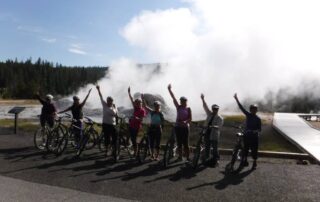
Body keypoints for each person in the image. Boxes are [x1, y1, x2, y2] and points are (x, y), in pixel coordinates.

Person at [233, 93, 261, 170]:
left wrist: (254, 131)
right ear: (250, 110)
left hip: (254, 137)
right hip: (247, 136)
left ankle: (254, 162)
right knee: (245, 149)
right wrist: (236, 99)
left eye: (255, 109)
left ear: (256, 110)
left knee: (254, 151)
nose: (254, 110)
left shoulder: (258, 119)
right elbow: (241, 107)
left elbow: (259, 129)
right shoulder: (248, 115)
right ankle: (244, 160)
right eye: (252, 109)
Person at [168, 84, 192, 162]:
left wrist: (185, 121)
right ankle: (180, 157)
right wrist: (169, 90)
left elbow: (190, 119)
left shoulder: (188, 109)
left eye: (184, 101)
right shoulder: (178, 107)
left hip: (185, 128)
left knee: (186, 144)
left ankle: (188, 157)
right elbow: (173, 98)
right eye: (181, 101)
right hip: (178, 127)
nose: (182, 102)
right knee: (179, 143)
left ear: (186, 101)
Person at [96, 85, 118, 161]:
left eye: (110, 101)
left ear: (112, 101)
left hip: (112, 125)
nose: (109, 102)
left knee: (114, 139)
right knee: (107, 139)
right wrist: (98, 89)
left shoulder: (113, 108)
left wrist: (115, 108)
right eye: (108, 100)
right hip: (105, 124)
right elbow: (101, 96)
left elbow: (116, 114)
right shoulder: (104, 105)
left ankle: (113, 151)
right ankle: (107, 151)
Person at [201, 93, 224, 167]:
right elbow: (205, 107)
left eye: (216, 109)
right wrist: (203, 99)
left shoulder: (220, 118)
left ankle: (216, 160)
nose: (215, 110)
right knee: (207, 146)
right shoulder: (209, 114)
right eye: (214, 109)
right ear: (212, 109)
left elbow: (219, 126)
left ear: (218, 110)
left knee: (215, 148)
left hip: (214, 134)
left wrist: (213, 126)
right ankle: (207, 159)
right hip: (207, 132)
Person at [142, 95, 164, 161]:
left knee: (157, 143)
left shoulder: (161, 113)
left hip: (158, 129)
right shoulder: (152, 112)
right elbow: (145, 107)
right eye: (156, 106)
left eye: (158, 106)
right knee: (151, 143)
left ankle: (157, 156)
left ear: (159, 107)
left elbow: (162, 122)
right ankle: (152, 155)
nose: (157, 107)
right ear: (154, 107)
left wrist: (161, 128)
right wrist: (143, 98)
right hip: (152, 128)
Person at [128, 87, 147, 157]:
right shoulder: (136, 108)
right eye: (136, 103)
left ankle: (136, 151)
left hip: (137, 127)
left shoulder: (142, 110)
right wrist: (129, 93)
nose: (136, 104)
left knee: (134, 140)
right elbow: (131, 100)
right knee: (132, 139)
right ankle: (134, 149)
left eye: (138, 103)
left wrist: (136, 118)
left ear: (140, 103)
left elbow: (141, 120)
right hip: (131, 125)